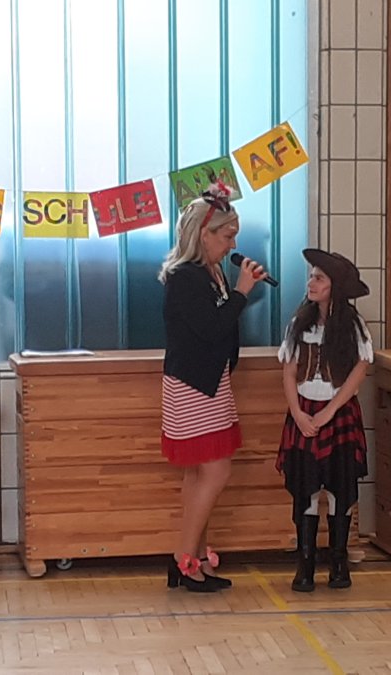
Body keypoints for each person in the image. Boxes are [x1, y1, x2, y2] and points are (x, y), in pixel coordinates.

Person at [158, 182, 267, 592]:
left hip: (211, 380)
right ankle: (185, 559)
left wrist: (235, 291)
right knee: (216, 469)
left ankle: (193, 559)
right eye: (227, 236)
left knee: (200, 471)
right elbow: (210, 328)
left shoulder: (212, 273)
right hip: (192, 384)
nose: (232, 244)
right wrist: (242, 292)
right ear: (204, 235)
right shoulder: (184, 277)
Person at [276, 249, 373, 592]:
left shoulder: (352, 326)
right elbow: (289, 371)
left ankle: (338, 563)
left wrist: (329, 410)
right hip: (303, 410)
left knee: (339, 489)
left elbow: (361, 369)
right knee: (304, 490)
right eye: (312, 276)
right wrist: (297, 413)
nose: (311, 282)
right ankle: (305, 565)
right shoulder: (298, 322)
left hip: (338, 412)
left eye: (319, 278)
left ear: (336, 287)